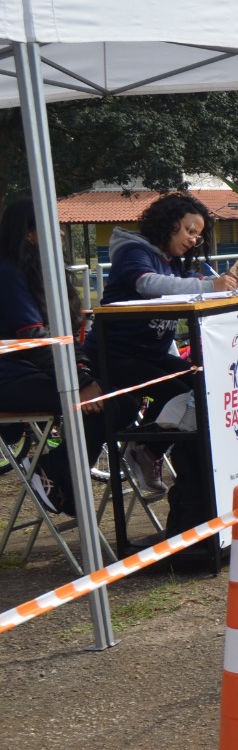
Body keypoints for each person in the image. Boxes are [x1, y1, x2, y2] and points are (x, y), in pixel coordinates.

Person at [92, 193, 238, 529]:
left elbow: (183, 287)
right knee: (178, 392)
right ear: (168, 224)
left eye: (198, 234)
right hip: (115, 354)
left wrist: (227, 286)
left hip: (150, 354)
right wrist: (209, 285)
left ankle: (147, 448)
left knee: (200, 386)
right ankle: (146, 449)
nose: (194, 239)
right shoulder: (134, 251)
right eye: (189, 230)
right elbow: (148, 285)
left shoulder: (173, 259)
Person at [0, 195, 108, 515]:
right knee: (106, 405)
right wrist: (82, 380)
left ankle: (60, 475)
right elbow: (34, 340)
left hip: (32, 372)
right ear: (30, 234)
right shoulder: (8, 273)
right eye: (53, 226)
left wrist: (84, 369)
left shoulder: (38, 271)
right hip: (10, 377)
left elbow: (61, 335)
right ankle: (53, 473)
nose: (61, 234)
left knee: (120, 399)